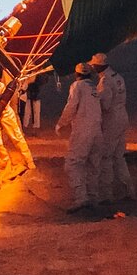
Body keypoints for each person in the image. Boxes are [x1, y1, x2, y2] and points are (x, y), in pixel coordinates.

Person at [55, 63, 103, 213]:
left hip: (83, 130)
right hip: (97, 131)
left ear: (77, 74)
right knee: (93, 164)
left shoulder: (77, 86)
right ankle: (93, 197)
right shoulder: (94, 88)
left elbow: (71, 106)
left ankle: (81, 198)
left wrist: (61, 123)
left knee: (73, 163)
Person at [89, 52, 136, 202]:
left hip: (112, 121)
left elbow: (106, 104)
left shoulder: (105, 81)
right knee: (119, 156)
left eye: (93, 65)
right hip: (123, 116)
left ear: (98, 66)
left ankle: (107, 194)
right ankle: (129, 189)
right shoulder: (118, 77)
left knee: (106, 157)